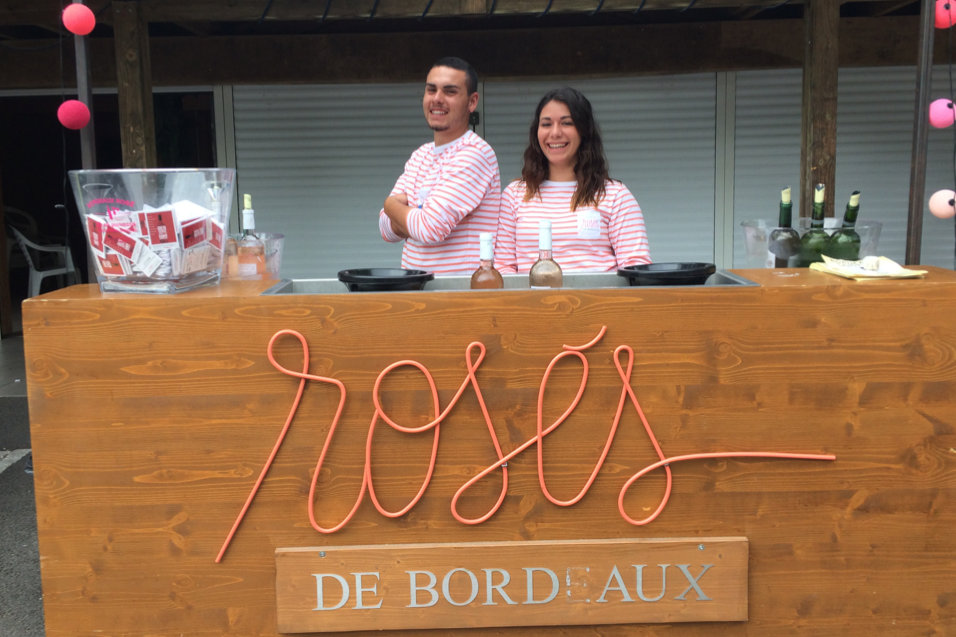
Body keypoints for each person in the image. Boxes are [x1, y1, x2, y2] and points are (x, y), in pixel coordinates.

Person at [495, 87, 650, 274]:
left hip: (598, 303)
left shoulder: (615, 195)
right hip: (532, 303)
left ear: (584, 131)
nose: (555, 133)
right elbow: (503, 268)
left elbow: (636, 268)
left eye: (566, 123)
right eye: (546, 124)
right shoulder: (514, 195)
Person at [379, 57, 501, 275]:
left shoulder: (475, 153)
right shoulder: (420, 155)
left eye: (450, 91)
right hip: (418, 292)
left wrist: (390, 204)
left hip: (460, 295)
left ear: (472, 102)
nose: (437, 99)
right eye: (431, 90)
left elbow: (429, 229)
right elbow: (386, 230)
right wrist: (419, 215)